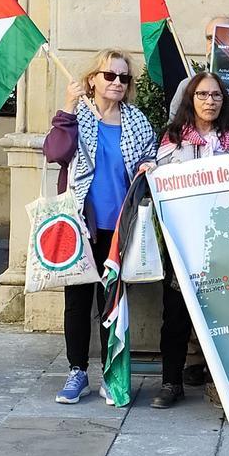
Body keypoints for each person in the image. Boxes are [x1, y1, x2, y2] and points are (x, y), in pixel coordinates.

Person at [43, 49, 157, 405]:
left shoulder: (137, 121)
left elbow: (147, 159)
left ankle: (111, 374)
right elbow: (55, 152)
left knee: (112, 303)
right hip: (79, 223)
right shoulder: (77, 116)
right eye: (110, 76)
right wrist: (66, 108)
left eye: (124, 78)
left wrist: (150, 165)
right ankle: (77, 371)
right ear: (93, 79)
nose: (117, 83)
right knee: (77, 302)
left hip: (120, 227)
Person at [150, 72, 229, 408]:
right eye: (203, 95)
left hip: (226, 239)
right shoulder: (174, 137)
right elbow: (162, 181)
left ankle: (221, 382)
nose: (210, 101)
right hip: (184, 241)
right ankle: (170, 382)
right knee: (177, 313)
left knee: (225, 313)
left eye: (216, 96)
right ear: (190, 99)